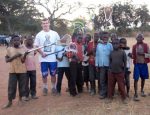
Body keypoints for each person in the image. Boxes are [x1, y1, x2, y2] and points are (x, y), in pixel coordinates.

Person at [34, 18, 60, 96]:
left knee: (53, 74)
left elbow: (59, 44)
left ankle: (53, 87)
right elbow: (36, 46)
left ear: (49, 24)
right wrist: (42, 53)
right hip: (43, 59)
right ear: (41, 25)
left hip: (53, 59)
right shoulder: (39, 34)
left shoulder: (55, 33)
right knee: (44, 74)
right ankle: (45, 88)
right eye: (43, 23)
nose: (45, 24)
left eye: (46, 23)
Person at [3, 35, 27, 108]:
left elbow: (23, 61)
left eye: (18, 40)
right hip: (12, 71)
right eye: (15, 40)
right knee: (11, 87)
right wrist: (15, 56)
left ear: (20, 41)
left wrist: (25, 55)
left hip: (22, 70)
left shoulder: (23, 49)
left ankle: (21, 99)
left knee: (22, 86)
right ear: (12, 41)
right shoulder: (9, 49)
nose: (17, 42)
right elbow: (7, 60)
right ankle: (10, 101)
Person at [107, 38, 127, 104]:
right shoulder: (111, 53)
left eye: (116, 43)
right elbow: (110, 62)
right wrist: (110, 70)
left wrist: (123, 72)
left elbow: (125, 62)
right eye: (114, 44)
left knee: (121, 86)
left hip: (120, 72)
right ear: (112, 45)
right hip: (112, 72)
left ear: (119, 44)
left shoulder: (122, 52)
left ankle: (124, 98)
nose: (115, 45)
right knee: (111, 86)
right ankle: (110, 97)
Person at [132, 33, 150, 101]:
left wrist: (142, 54)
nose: (139, 38)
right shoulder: (134, 46)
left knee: (143, 78)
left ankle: (142, 91)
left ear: (143, 38)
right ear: (136, 38)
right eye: (138, 37)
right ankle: (135, 93)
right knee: (136, 79)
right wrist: (131, 56)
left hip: (144, 64)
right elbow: (133, 56)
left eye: (140, 37)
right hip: (137, 64)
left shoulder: (146, 45)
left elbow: (149, 55)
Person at [95, 31, 113, 99]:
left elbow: (112, 55)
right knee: (102, 79)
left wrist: (112, 65)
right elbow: (97, 55)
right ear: (101, 37)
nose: (105, 38)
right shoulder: (99, 45)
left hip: (108, 65)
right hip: (101, 66)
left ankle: (109, 93)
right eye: (104, 37)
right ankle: (103, 93)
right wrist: (96, 65)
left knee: (108, 79)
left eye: (106, 37)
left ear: (108, 37)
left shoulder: (110, 45)